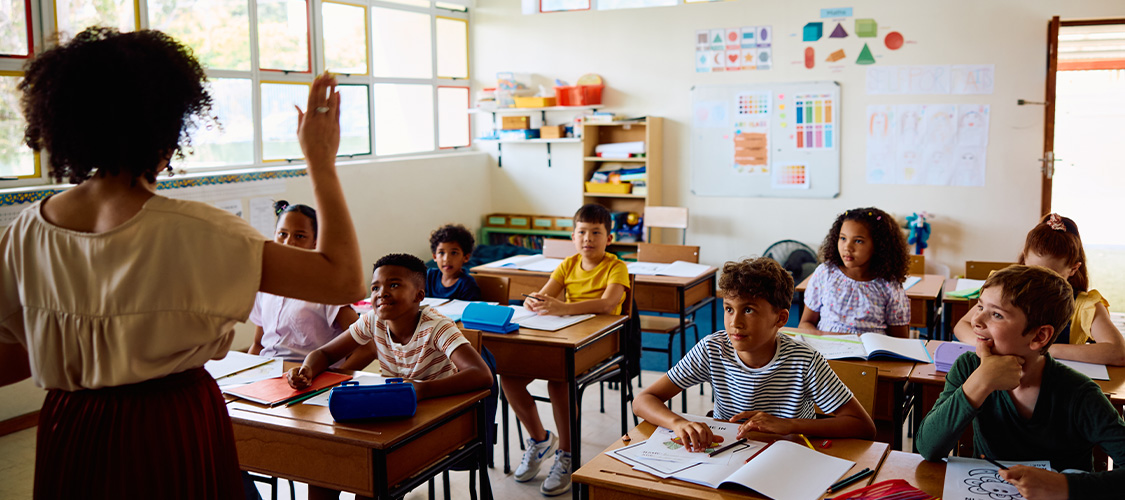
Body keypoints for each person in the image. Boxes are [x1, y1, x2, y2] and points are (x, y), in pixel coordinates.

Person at [0, 28, 365, 499]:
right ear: (169, 129)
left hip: (72, 428)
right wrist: (320, 161)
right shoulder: (202, 231)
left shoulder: (25, 233)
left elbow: (16, 355)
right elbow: (343, 279)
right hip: (171, 424)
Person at [287, 253, 493, 500]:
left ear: (419, 295)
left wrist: (423, 389)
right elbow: (325, 353)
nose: (381, 293)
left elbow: (482, 374)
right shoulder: (373, 321)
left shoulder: (436, 327)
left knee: (371, 483)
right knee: (323, 475)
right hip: (391, 414)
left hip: (433, 421)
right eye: (375, 287)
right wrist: (307, 369)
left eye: (393, 285)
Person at [916, 265, 1125, 499]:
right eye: (980, 307)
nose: (976, 321)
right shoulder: (969, 368)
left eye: (997, 315)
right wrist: (980, 382)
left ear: (1039, 336)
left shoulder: (1080, 395)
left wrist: (1064, 486)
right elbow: (928, 448)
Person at [634, 257, 876, 452]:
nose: (735, 323)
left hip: (789, 454)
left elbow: (864, 427)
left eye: (748, 310)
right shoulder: (713, 349)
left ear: (780, 318)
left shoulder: (804, 361)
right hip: (727, 452)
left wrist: (789, 425)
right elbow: (643, 400)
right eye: (729, 309)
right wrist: (678, 422)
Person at [505, 203, 629, 496]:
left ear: (609, 238)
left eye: (596, 232)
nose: (588, 238)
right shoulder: (568, 264)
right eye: (582, 232)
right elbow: (544, 295)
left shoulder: (616, 266)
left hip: (602, 341)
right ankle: (540, 440)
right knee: (509, 376)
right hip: (569, 337)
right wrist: (534, 301)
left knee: (559, 381)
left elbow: (608, 304)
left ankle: (568, 453)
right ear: (573, 237)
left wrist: (563, 307)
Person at [953, 213, 1125, 366]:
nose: (1040, 283)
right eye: (1033, 271)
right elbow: (962, 325)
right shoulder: (1005, 292)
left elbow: (1118, 352)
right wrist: (988, 347)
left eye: (1052, 276)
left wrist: (1044, 350)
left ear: (1073, 269)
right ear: (1024, 260)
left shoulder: (1084, 306)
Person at [248, 200, 367, 369]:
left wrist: (334, 378)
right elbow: (258, 345)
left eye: (299, 236)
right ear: (274, 235)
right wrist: (243, 377)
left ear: (315, 242)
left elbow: (365, 347)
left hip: (306, 375)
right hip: (267, 373)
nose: (288, 242)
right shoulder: (266, 284)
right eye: (282, 234)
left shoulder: (327, 287)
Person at [799, 207, 912, 338]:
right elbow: (805, 323)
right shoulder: (825, 273)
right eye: (843, 238)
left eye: (858, 241)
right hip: (826, 348)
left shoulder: (888, 285)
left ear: (878, 246)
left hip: (870, 351)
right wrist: (820, 337)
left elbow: (900, 339)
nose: (847, 247)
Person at [426, 223, 482, 301]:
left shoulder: (467, 284)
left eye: (454, 253)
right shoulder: (430, 276)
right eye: (441, 253)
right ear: (435, 257)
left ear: (466, 257)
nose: (446, 259)